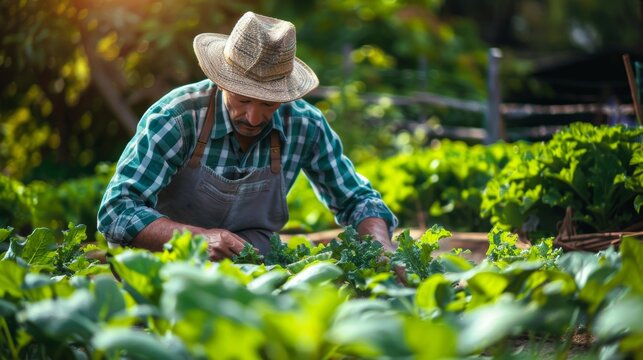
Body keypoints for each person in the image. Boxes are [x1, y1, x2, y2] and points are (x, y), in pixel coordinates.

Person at [97, 11, 398, 261]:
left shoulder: (305, 125)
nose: (254, 118)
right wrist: (199, 239)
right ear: (222, 82)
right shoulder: (178, 117)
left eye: (268, 104)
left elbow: (358, 200)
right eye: (242, 100)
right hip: (159, 260)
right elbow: (117, 210)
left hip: (248, 266)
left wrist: (381, 244)